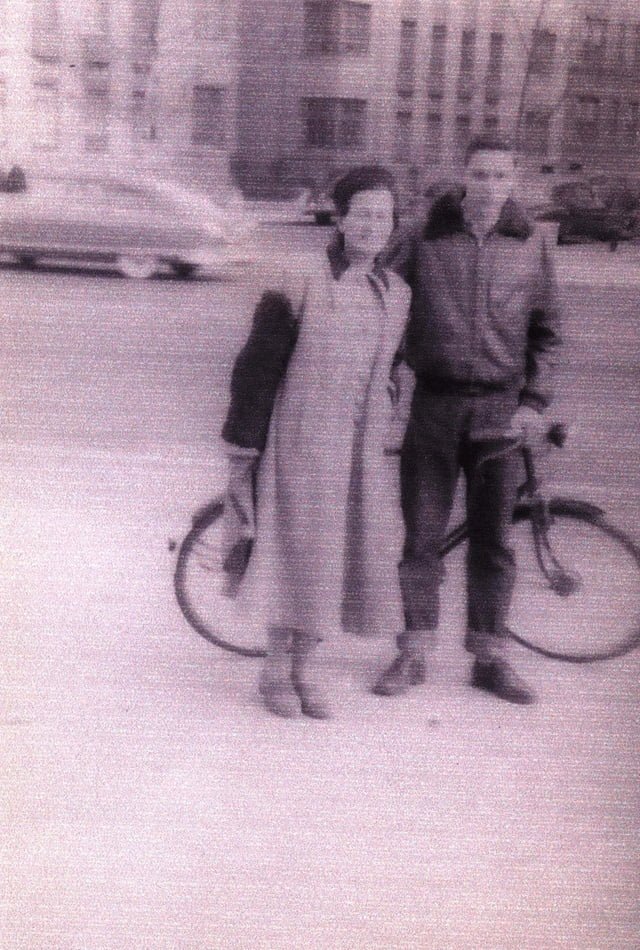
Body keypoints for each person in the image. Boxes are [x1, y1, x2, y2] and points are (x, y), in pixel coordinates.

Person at [374, 136, 562, 705]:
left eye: (500, 176)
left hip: (501, 413)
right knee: (422, 535)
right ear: (464, 175)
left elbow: (548, 332)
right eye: (479, 175)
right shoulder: (425, 235)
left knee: (494, 542)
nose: (488, 186)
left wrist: (533, 402)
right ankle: (413, 651)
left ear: (513, 181)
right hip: (434, 406)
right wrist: (383, 372)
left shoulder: (530, 243)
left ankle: (490, 656)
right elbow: (380, 302)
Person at [220, 166, 412, 720]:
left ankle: (307, 666)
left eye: (385, 214)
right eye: (364, 212)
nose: (375, 224)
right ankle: (275, 669)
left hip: (360, 448)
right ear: (341, 216)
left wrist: (388, 406)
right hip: (300, 441)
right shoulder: (299, 277)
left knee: (340, 558)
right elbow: (257, 367)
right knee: (298, 555)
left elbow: (391, 367)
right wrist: (244, 447)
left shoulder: (395, 292)